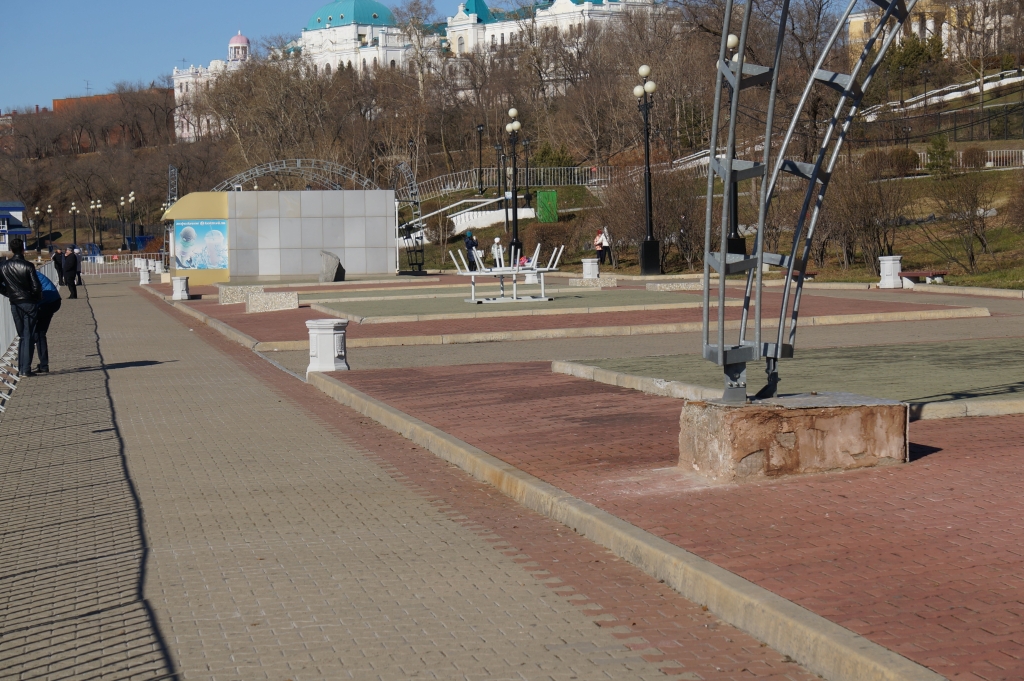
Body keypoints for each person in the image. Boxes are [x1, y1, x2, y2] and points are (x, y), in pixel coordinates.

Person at [0, 238, 42, 376]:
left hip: (14, 303)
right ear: (23, 249)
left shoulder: (4, 266)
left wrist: (9, 293)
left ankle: (21, 368)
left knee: (22, 336)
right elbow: (36, 287)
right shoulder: (28, 266)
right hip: (28, 302)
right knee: (28, 335)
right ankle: (25, 369)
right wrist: (35, 298)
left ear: (11, 250)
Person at [34, 269, 61, 373]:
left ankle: (40, 365)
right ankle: (43, 364)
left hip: (47, 302)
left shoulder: (23, 272)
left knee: (37, 333)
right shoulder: (27, 269)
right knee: (39, 333)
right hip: (52, 300)